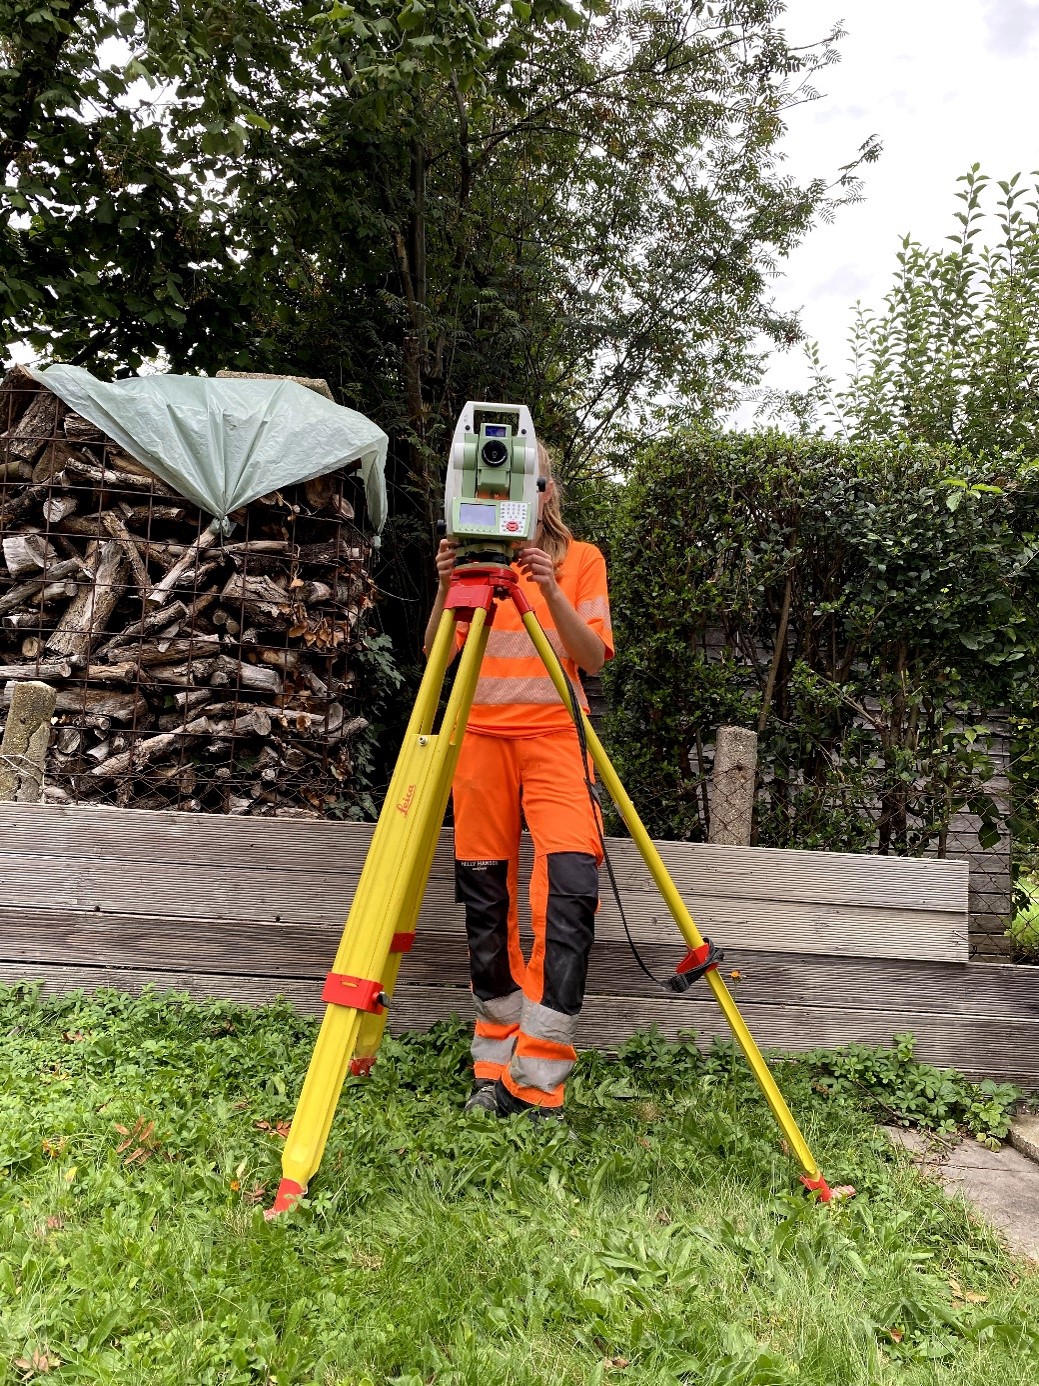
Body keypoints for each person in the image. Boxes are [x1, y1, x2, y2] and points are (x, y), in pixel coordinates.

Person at [423, 445, 613, 1118]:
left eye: (527, 481)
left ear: (547, 491)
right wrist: (448, 584)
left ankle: (537, 1077)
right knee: (486, 898)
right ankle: (493, 1062)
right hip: (479, 741)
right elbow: (435, 653)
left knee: (568, 891)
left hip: (557, 737)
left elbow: (591, 658)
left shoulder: (581, 559)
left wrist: (549, 587)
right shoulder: (473, 566)